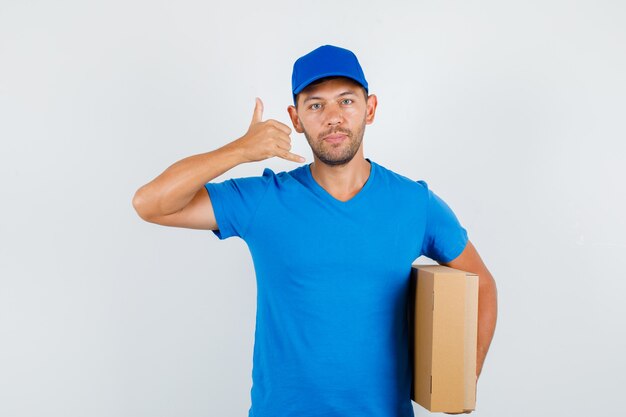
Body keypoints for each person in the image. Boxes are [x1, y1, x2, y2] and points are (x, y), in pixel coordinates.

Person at [132, 45, 498, 417]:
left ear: (369, 109)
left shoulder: (415, 204)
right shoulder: (264, 200)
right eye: (316, 105)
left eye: (346, 101)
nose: (333, 117)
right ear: (296, 118)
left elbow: (481, 282)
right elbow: (151, 203)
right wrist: (240, 150)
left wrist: (462, 380)